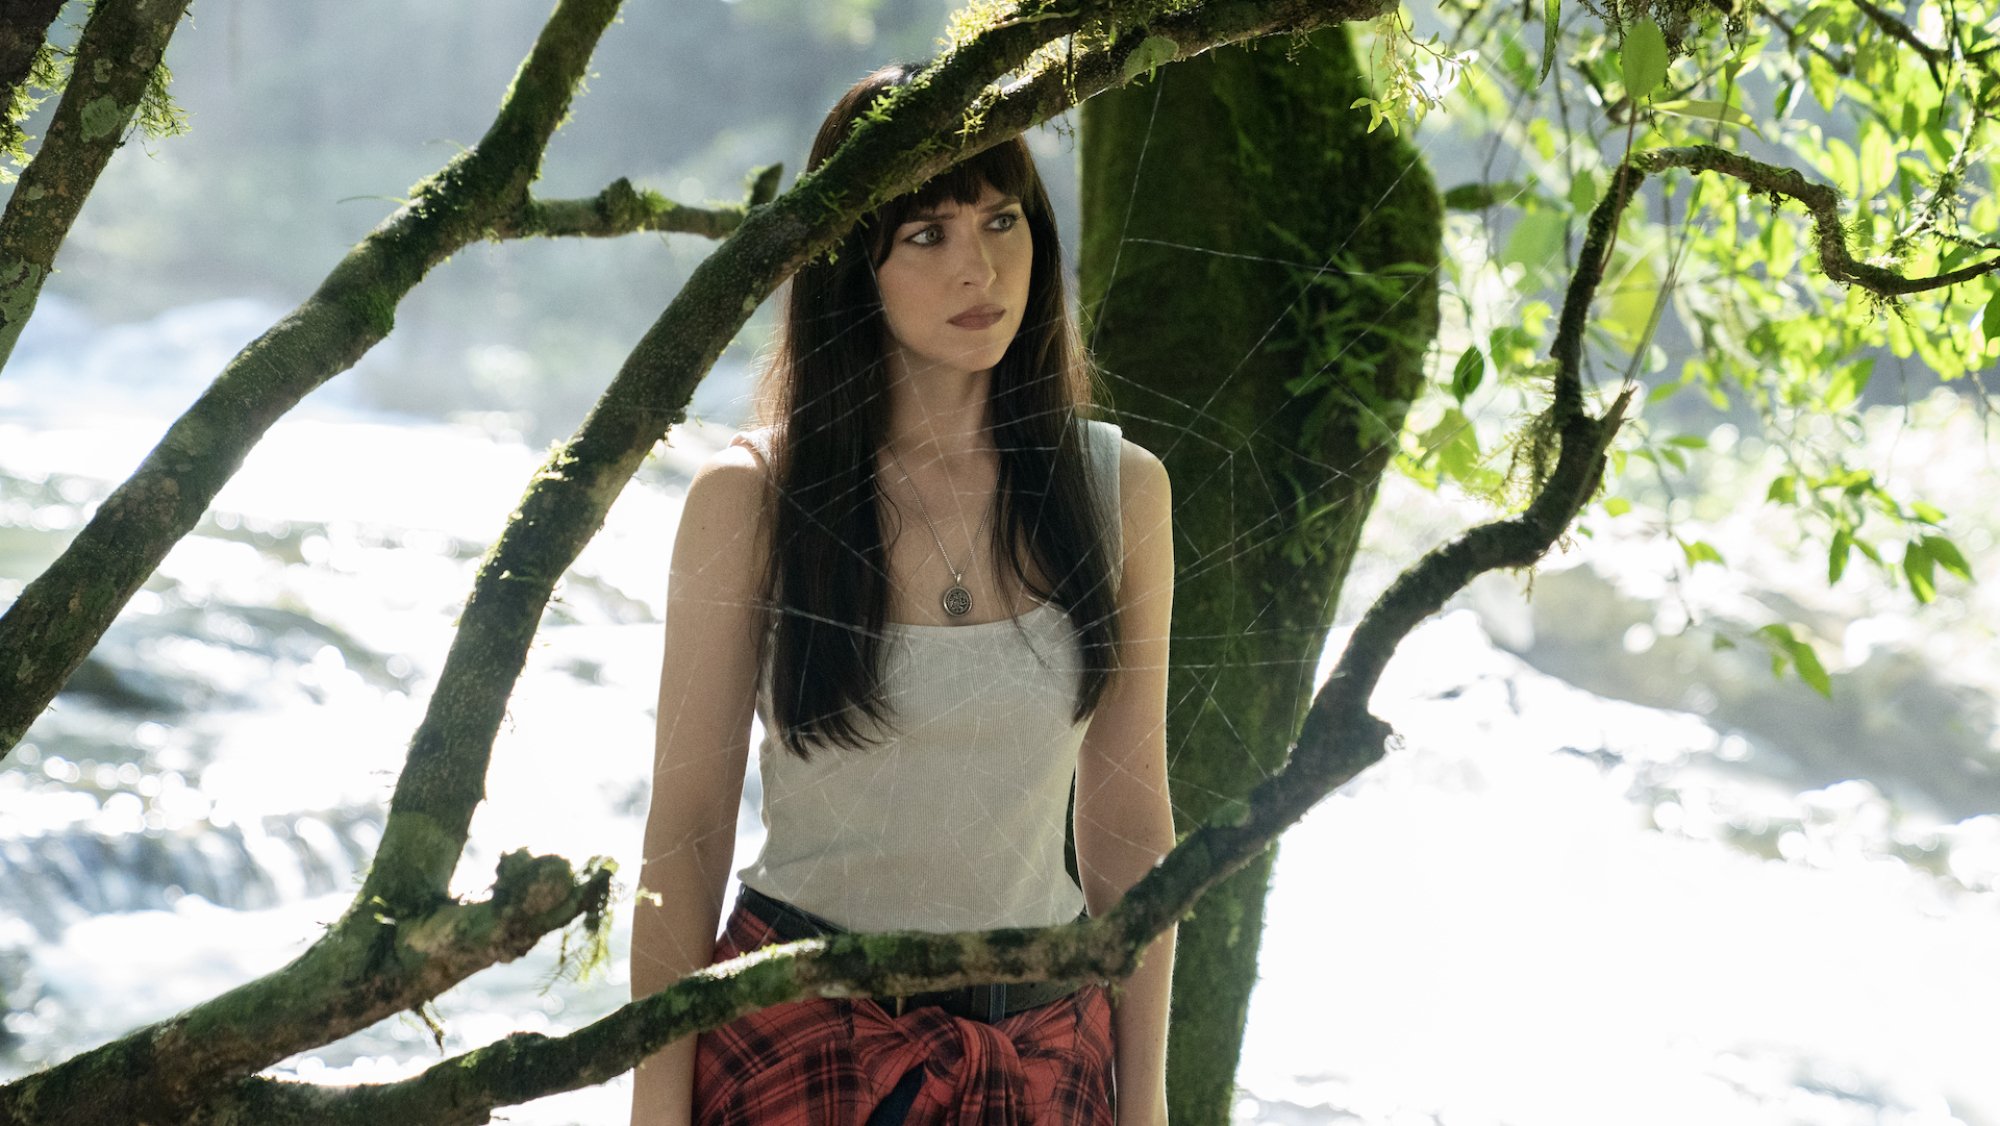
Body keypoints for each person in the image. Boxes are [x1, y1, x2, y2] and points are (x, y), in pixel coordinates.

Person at [629, 62, 1176, 1126]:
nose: (980, 266)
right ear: (849, 262)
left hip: (1047, 1046)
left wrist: (1144, 1098)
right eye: (925, 233)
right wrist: (656, 1109)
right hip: (799, 1037)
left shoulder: (1120, 492)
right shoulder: (750, 499)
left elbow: (1129, 829)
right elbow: (686, 832)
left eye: (1001, 218)